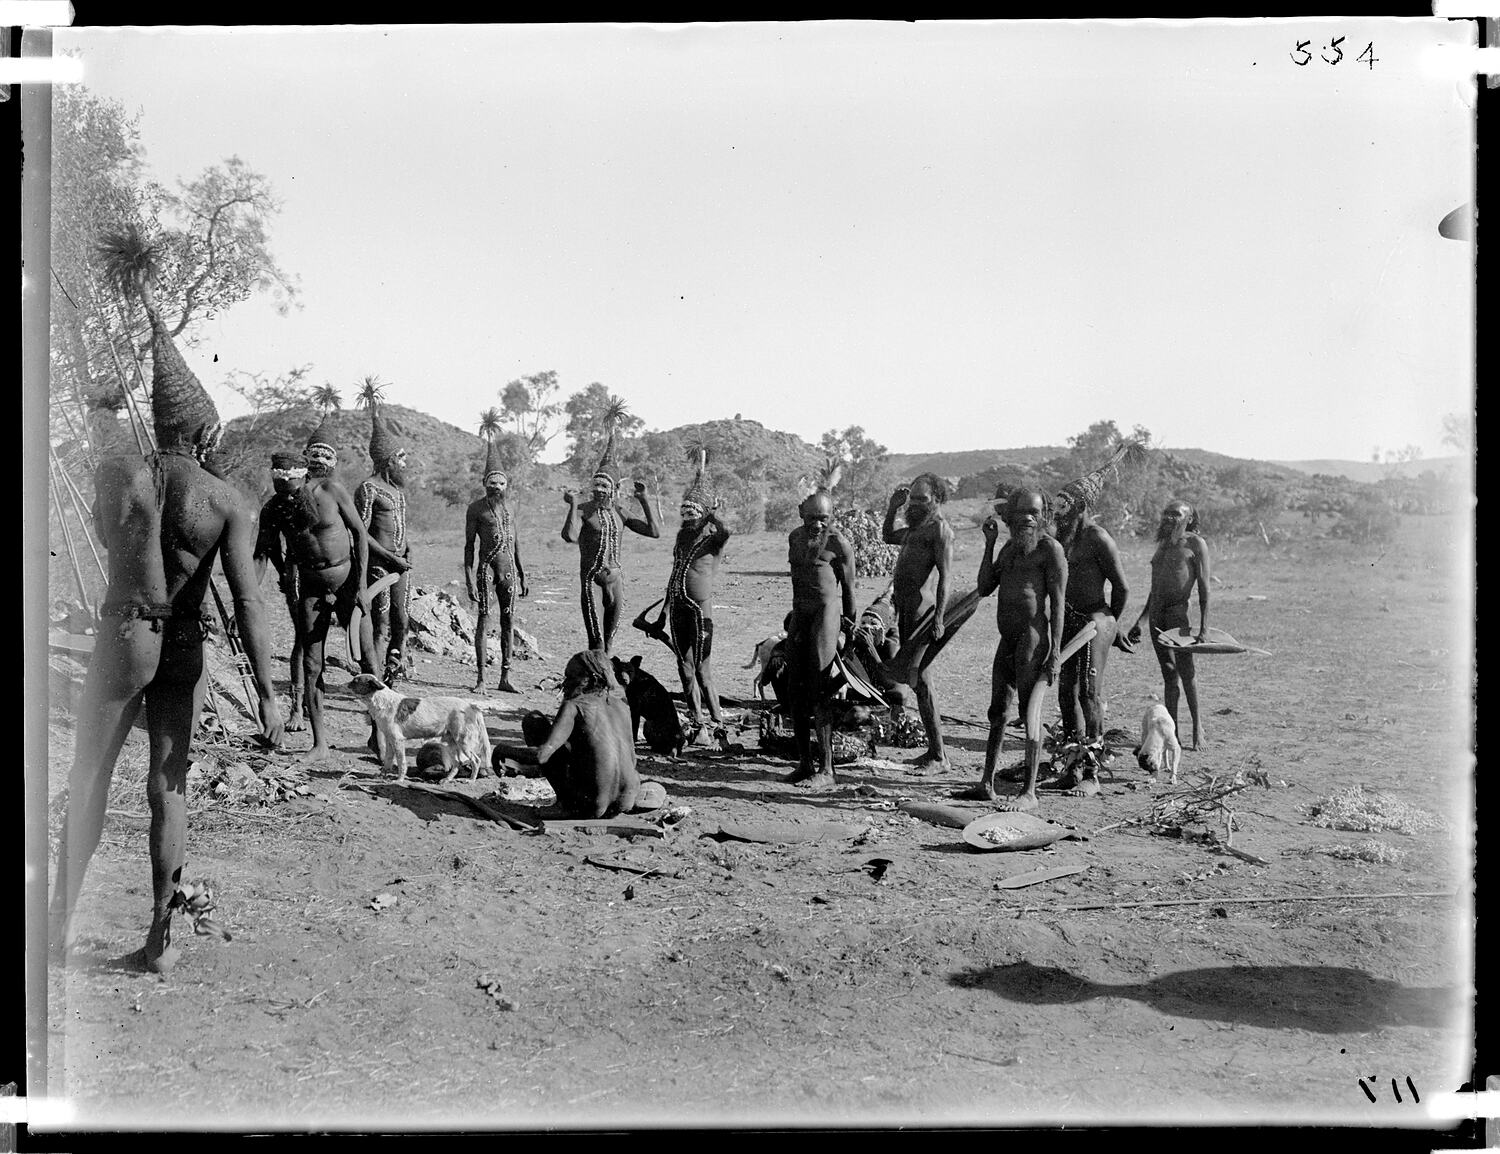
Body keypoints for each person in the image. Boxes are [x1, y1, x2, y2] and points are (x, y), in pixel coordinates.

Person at [51, 227, 283, 971]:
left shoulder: (123, 475)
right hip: (184, 642)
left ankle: (51, 934)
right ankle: (159, 940)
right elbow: (247, 603)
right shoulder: (226, 499)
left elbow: (100, 528)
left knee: (88, 775)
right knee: (168, 787)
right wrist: (271, 692)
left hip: (124, 634)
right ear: (205, 429)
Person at [959, 489, 1066, 810]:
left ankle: (1029, 793)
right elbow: (984, 587)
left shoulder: (1051, 550)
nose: (1027, 519)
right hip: (1007, 640)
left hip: (1033, 639)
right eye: (1020, 514)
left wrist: (1055, 654)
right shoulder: (1008, 549)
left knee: (1028, 712)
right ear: (1010, 518)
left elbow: (1058, 604)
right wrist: (989, 545)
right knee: (997, 713)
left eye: (1033, 513)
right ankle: (986, 784)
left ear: (1043, 516)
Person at [1045, 445, 1138, 796]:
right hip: (1069, 621)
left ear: (1082, 507)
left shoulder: (1097, 538)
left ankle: (1092, 773)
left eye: (1065, 506)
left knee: (1088, 691)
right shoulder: (1059, 538)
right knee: (1066, 693)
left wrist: (1111, 625)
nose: (1059, 512)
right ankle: (1072, 765)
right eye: (1057, 506)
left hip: (1096, 618)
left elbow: (1123, 587)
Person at [292, 413, 376, 762]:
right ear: (305, 457)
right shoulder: (293, 497)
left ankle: (377, 734)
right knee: (313, 663)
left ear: (335, 462)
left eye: (327, 456)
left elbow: (360, 535)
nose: (320, 461)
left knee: (368, 655)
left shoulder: (335, 490)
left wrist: (359, 585)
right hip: (311, 587)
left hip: (346, 584)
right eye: (315, 454)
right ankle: (320, 742)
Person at [634, 450, 732, 736]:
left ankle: (717, 722)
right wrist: (662, 615)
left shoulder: (713, 540)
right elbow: (674, 576)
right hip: (677, 609)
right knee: (684, 667)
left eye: (693, 512)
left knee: (702, 669)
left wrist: (714, 514)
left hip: (701, 612)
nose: (687, 516)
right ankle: (696, 719)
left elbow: (727, 530)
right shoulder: (681, 538)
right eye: (684, 511)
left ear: (703, 514)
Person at [495, 650, 642, 818]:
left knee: (533, 721)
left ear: (591, 679)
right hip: (626, 800)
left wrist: (504, 750)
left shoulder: (574, 706)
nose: (565, 683)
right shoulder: (621, 703)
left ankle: (566, 804)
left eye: (572, 677)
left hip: (592, 804)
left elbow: (542, 755)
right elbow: (632, 758)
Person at [560, 411, 660, 652]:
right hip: (591, 581)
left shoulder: (620, 512)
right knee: (595, 641)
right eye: (596, 485)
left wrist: (645, 500)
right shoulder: (584, 510)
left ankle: (607, 684)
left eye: (604, 486)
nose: (599, 490)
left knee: (610, 640)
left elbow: (654, 532)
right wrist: (573, 505)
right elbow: (570, 537)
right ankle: (598, 679)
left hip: (616, 581)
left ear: (614, 488)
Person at [783, 490, 857, 787]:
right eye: (812, 518)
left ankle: (826, 770)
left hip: (826, 614)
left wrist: (849, 630)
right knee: (794, 688)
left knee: (819, 687)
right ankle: (804, 763)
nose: (817, 525)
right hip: (801, 613)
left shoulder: (839, 543)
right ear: (801, 513)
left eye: (823, 519)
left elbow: (849, 590)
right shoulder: (794, 538)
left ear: (832, 516)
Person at [882, 473, 954, 771]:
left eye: (921, 499)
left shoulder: (939, 530)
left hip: (923, 616)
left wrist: (938, 619)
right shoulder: (914, 528)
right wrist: (892, 507)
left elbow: (946, 579)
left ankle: (939, 755)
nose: (914, 503)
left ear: (936, 500)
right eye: (911, 497)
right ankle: (934, 752)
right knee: (918, 683)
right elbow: (887, 536)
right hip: (905, 612)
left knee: (922, 681)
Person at [1126, 500, 1211, 749]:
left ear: (1190, 519)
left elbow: (1204, 587)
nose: (1169, 517)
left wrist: (1204, 628)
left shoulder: (1195, 544)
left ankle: (1198, 727)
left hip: (1178, 615)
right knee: (1168, 674)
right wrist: (1140, 622)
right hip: (1156, 617)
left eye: (1176, 514)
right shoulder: (1162, 545)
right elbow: (1155, 590)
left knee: (1187, 672)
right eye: (1166, 513)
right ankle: (1173, 732)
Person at [355, 401, 414, 687]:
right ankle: (376, 682)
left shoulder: (397, 492)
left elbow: (400, 526)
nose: (404, 463)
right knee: (380, 625)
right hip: (379, 566)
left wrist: (407, 548)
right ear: (388, 459)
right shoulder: (368, 488)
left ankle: (394, 671)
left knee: (402, 621)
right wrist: (389, 557)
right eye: (400, 458)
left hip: (401, 565)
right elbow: (361, 533)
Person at [254, 450, 311, 731]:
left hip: (331, 576)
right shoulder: (273, 507)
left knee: (317, 641)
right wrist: (249, 597)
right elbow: (263, 552)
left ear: (305, 479)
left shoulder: (321, 498)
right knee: (303, 639)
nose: (288, 497)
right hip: (298, 577)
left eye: (292, 491)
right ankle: (298, 708)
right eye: (281, 491)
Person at [465, 438, 528, 693]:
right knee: (483, 619)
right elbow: (469, 545)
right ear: (484, 484)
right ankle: (481, 679)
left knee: (508, 621)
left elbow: (517, 544)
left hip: (509, 571)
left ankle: (505, 678)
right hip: (486, 571)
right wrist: (469, 578)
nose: (497, 487)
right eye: (492, 483)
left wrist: (523, 575)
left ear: (506, 485)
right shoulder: (476, 509)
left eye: (501, 483)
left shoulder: (510, 509)